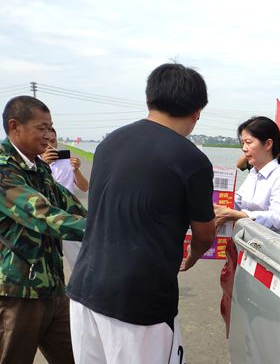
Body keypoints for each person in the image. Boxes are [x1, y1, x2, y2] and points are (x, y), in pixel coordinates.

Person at [66, 63, 217, 364]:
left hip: (85, 287)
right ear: (197, 112)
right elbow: (204, 233)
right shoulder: (192, 160)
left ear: (149, 99)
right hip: (139, 302)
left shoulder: (109, 143)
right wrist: (192, 256)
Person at [0, 96, 87, 364]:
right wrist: (105, 230)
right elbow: (43, 215)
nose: (49, 135)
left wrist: (120, 218)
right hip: (18, 292)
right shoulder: (4, 168)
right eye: (42, 128)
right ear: (15, 126)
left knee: (78, 356)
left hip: (52, 288)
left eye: (51, 128)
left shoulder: (39, 168)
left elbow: (70, 204)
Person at [214, 116, 280, 240]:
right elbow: (237, 202)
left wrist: (238, 215)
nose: (244, 148)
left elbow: (277, 218)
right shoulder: (253, 173)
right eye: (243, 143)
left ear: (268, 144)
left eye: (248, 142)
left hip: (276, 247)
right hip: (252, 243)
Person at [41, 128, 89, 193]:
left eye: (53, 141)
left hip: (67, 199)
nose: (50, 146)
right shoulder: (32, 162)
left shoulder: (68, 162)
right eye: (45, 142)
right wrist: (43, 164)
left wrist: (76, 170)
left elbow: (85, 188)